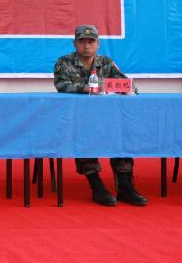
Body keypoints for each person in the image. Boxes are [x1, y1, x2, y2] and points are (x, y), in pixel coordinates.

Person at [53, 24, 147, 207]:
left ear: (98, 44)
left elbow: (128, 85)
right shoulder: (64, 62)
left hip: (108, 119)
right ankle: (96, 185)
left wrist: (122, 89)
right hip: (78, 119)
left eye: (91, 41)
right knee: (84, 137)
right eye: (82, 41)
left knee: (123, 136)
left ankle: (125, 186)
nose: (86, 45)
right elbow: (61, 85)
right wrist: (87, 88)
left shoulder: (106, 62)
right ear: (74, 44)